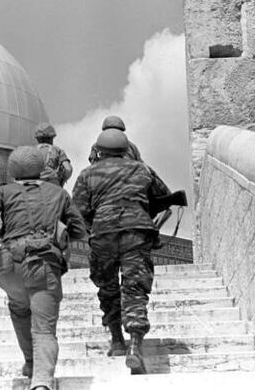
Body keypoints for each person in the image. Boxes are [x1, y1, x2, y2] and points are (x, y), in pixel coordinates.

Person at [0, 146, 88, 390]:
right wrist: (61, 236)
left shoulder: (3, 191)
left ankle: (29, 361)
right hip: (44, 265)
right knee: (45, 329)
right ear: (41, 167)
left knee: (19, 310)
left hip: (10, 267)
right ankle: (41, 382)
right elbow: (80, 230)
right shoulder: (58, 194)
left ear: (12, 170)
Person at [72, 129, 170, 375]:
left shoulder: (87, 174)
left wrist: (94, 228)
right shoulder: (142, 169)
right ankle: (135, 345)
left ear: (99, 150)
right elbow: (164, 197)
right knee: (135, 288)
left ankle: (116, 340)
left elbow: (78, 212)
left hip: (103, 235)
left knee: (108, 287)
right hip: (135, 234)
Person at [33, 122, 72, 186]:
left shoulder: (31, 151)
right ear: (52, 137)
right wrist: (62, 181)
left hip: (34, 187)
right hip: (52, 185)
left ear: (37, 138)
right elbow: (68, 169)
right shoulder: (57, 150)